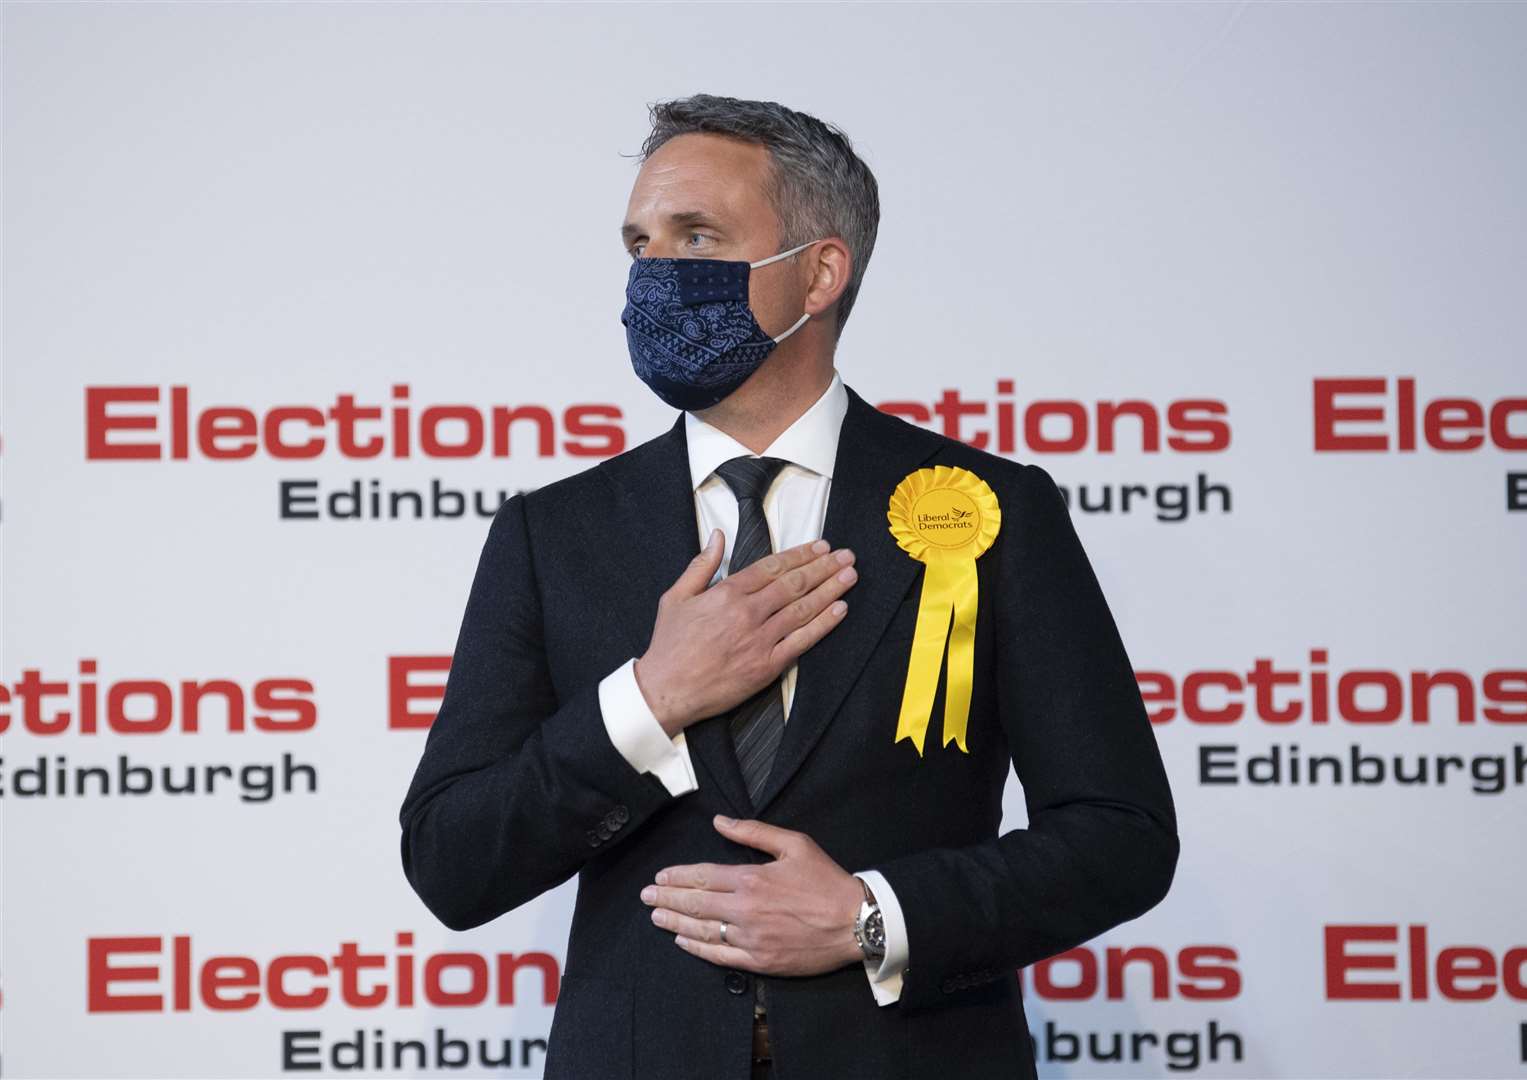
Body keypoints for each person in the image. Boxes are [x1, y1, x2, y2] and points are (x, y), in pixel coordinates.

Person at [398, 93, 1179, 1080]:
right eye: (638, 242)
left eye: (696, 235)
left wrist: (869, 918)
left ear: (818, 273)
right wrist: (649, 701)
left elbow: (1120, 836)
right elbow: (451, 862)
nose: (653, 275)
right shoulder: (551, 533)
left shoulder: (988, 509)